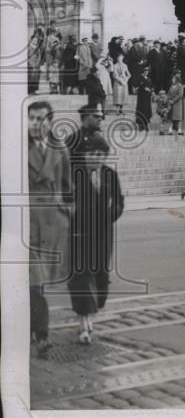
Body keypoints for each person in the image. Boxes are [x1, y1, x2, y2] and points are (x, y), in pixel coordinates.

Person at [67, 106, 124, 344]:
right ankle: (84, 324)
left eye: (100, 154)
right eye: (91, 154)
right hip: (79, 234)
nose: (95, 158)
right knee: (81, 277)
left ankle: (92, 310)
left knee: (101, 279)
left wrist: (112, 212)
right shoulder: (74, 174)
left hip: (103, 235)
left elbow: (120, 202)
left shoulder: (110, 175)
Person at [27, 100, 74, 359]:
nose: (36, 123)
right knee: (34, 281)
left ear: (50, 122)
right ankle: (41, 333)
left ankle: (36, 331)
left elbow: (68, 187)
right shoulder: (15, 148)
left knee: (37, 283)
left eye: (41, 118)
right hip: (25, 222)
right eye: (32, 118)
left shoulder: (60, 148)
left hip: (50, 225)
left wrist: (67, 213)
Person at [133, 65, 154, 131]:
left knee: (147, 110)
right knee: (141, 109)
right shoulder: (140, 78)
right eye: (145, 71)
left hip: (147, 97)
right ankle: (140, 125)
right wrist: (145, 88)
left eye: (147, 71)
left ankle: (146, 124)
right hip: (142, 97)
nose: (146, 72)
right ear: (143, 71)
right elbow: (139, 85)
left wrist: (152, 90)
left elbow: (151, 85)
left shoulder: (149, 78)